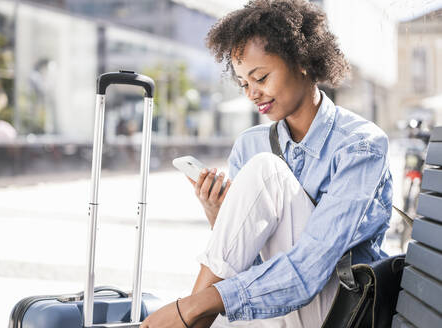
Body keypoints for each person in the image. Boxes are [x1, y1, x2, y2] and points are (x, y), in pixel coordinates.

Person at [141, 0, 392, 327]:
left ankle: (192, 320)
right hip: (279, 305)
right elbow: (243, 264)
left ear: (301, 61)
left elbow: (309, 268)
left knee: (267, 171)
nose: (252, 93)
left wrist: (191, 306)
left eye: (260, 77)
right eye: (244, 83)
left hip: (339, 307)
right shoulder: (251, 142)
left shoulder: (361, 144)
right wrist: (217, 212)